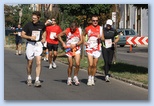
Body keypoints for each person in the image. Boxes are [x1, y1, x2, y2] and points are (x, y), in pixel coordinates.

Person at [21, 11, 46, 87]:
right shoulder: (28, 25)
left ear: (39, 18)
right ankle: (29, 77)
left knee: (38, 62)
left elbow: (44, 31)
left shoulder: (42, 24)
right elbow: (22, 34)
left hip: (38, 44)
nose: (33, 19)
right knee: (30, 63)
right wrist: (30, 37)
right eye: (32, 18)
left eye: (35, 18)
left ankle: (37, 80)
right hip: (30, 44)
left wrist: (44, 38)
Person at [82, 15, 103, 86]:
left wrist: (100, 37)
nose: (95, 22)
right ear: (91, 21)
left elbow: (103, 38)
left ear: (98, 21)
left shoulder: (100, 28)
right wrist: (84, 41)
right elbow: (83, 35)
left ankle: (93, 77)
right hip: (89, 48)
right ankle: (89, 78)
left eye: (96, 20)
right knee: (90, 64)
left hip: (97, 48)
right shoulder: (88, 28)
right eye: (93, 20)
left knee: (94, 65)